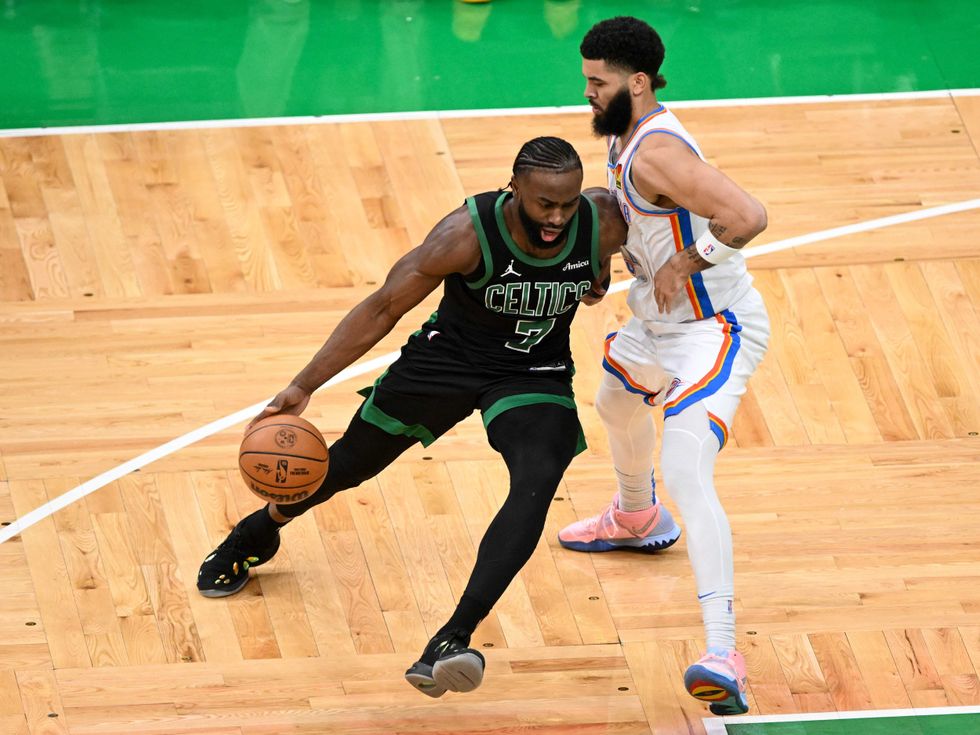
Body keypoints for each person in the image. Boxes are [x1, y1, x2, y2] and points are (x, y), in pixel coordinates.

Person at [196, 137, 629, 698]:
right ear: (514, 186)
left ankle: (452, 637)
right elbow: (382, 306)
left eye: (568, 204)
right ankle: (257, 531)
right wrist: (303, 385)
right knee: (347, 465)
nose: (558, 217)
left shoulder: (603, 222)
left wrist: (596, 273)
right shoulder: (465, 236)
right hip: (447, 361)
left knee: (538, 479)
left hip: (534, 372)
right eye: (545, 203)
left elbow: (627, 250)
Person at [557, 16, 771, 716]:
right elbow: (642, 221)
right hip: (658, 321)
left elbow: (746, 214)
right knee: (615, 400)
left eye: (599, 81)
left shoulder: (656, 152)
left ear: (638, 82)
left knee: (687, 466)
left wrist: (685, 260)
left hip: (714, 329)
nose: (587, 92)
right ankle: (636, 516)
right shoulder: (625, 136)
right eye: (587, 79)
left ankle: (722, 651)